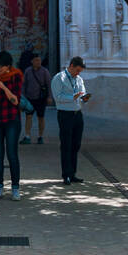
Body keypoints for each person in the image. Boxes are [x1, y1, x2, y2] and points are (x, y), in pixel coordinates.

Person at [0, 50, 22, 200]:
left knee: (12, 154)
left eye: (1, 66)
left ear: (8, 66)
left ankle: (15, 188)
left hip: (12, 119)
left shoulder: (16, 75)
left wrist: (4, 87)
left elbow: (15, 100)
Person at [52, 56, 90, 185]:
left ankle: (73, 173)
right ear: (71, 66)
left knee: (76, 144)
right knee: (66, 144)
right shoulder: (59, 78)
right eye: (77, 70)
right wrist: (72, 97)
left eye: (80, 71)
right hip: (65, 114)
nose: (78, 73)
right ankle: (66, 174)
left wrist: (84, 97)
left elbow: (82, 92)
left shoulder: (79, 79)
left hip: (77, 114)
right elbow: (57, 97)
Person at [21, 54, 51, 144]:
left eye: (39, 60)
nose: (38, 62)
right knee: (28, 117)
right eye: (36, 60)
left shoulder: (45, 71)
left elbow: (49, 85)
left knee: (41, 118)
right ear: (32, 61)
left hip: (41, 98)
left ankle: (40, 136)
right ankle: (27, 136)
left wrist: (49, 97)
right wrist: (23, 96)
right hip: (30, 98)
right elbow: (24, 84)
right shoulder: (28, 71)